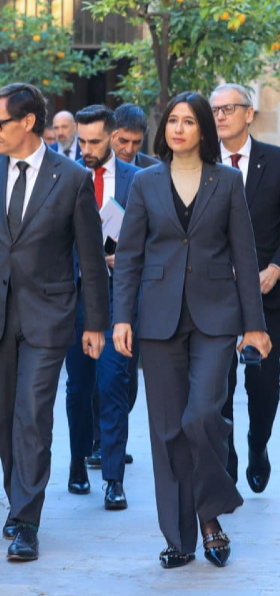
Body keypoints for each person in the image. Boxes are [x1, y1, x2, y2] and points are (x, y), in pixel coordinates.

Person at [0, 83, 109, 562]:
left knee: (33, 415)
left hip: (48, 315)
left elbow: (90, 259)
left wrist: (95, 322)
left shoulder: (73, 178)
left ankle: (26, 519)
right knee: (2, 418)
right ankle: (21, 496)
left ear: (28, 123)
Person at [112, 91, 271, 569]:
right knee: (166, 432)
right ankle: (181, 537)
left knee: (202, 416)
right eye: (172, 121)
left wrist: (254, 327)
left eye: (188, 121)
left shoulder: (227, 181)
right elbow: (131, 257)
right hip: (158, 319)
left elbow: (245, 256)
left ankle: (211, 513)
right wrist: (122, 316)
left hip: (216, 317)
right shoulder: (144, 182)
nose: (178, 128)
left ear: (204, 129)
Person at [64, 105, 137, 509]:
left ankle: (114, 478)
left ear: (112, 136)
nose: (87, 148)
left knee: (113, 383)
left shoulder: (136, 180)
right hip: (73, 298)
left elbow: (148, 239)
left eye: (94, 141)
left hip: (117, 299)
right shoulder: (64, 175)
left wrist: (121, 257)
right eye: (81, 141)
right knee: (78, 387)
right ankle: (76, 464)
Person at [213, 83, 280, 492]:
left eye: (229, 108)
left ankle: (258, 443)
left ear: (249, 113)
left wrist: (276, 266)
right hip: (216, 295)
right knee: (218, 385)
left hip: (267, 293)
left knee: (262, 385)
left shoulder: (275, 161)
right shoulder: (202, 166)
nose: (220, 116)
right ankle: (229, 457)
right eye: (215, 109)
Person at [111, 104, 160, 168]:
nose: (129, 150)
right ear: (111, 135)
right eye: (123, 141)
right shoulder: (95, 165)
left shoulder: (156, 169)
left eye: (137, 142)